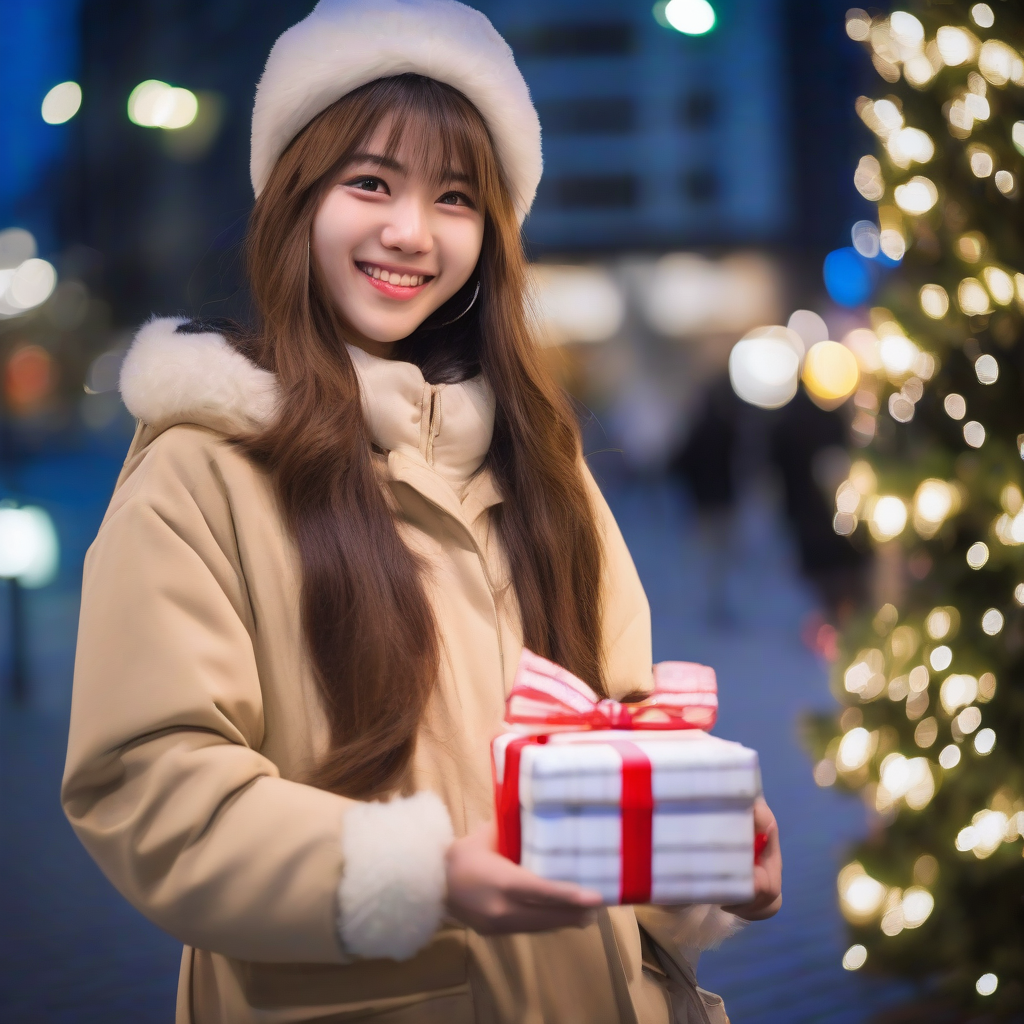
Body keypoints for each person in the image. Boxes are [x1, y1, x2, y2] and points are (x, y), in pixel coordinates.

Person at [62, 2, 781, 1021]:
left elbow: (621, 719)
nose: (409, 231)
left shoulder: (543, 460)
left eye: (454, 197)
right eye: (369, 182)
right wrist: (426, 877)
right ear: (295, 201)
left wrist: (701, 852)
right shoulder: (202, 472)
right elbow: (151, 785)